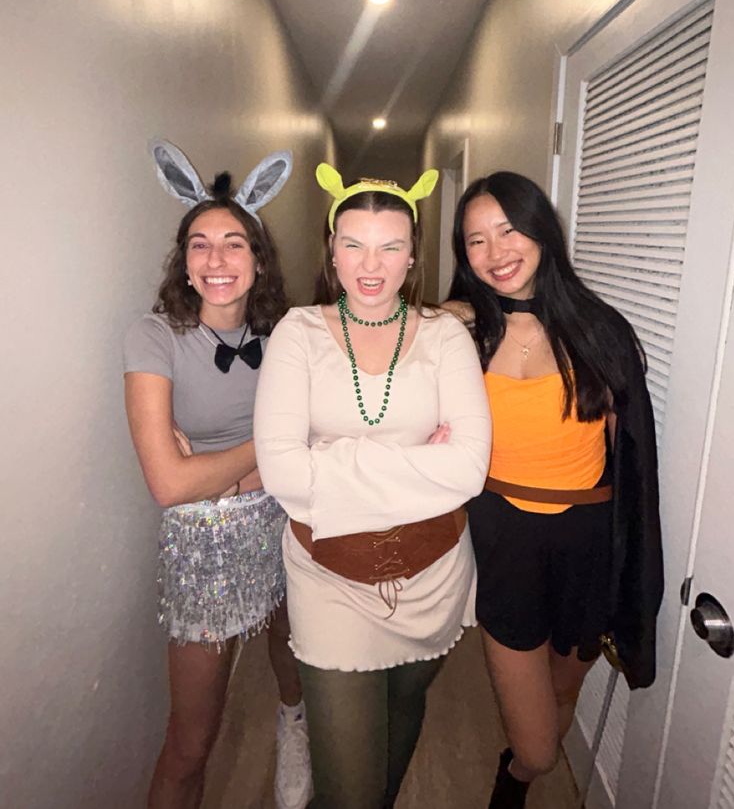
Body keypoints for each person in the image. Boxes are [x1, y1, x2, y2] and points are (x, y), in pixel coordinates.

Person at [253, 163, 491, 809]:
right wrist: (416, 461)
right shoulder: (296, 334)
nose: (370, 264)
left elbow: (469, 468)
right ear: (331, 248)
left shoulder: (445, 335)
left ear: (413, 254)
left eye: (390, 246)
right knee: (348, 789)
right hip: (329, 577)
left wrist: (330, 460)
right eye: (354, 243)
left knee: (405, 707)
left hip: (435, 573)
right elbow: (280, 471)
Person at [445, 171, 663, 808]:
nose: (496, 252)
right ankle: (515, 777)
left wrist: (632, 567)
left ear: (543, 231)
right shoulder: (460, 333)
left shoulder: (600, 331)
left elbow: (632, 463)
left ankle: (520, 771)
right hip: (504, 538)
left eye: (509, 230)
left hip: (588, 543)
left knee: (564, 691)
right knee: (539, 747)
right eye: (476, 240)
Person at [123, 141, 311, 809]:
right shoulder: (155, 337)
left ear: (258, 259)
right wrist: (266, 448)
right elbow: (170, 485)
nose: (216, 259)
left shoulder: (289, 335)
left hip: (286, 513)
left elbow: (314, 430)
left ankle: (294, 720)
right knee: (189, 740)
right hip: (202, 540)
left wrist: (217, 467)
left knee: (291, 642)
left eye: (234, 243)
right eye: (200, 244)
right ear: (185, 261)